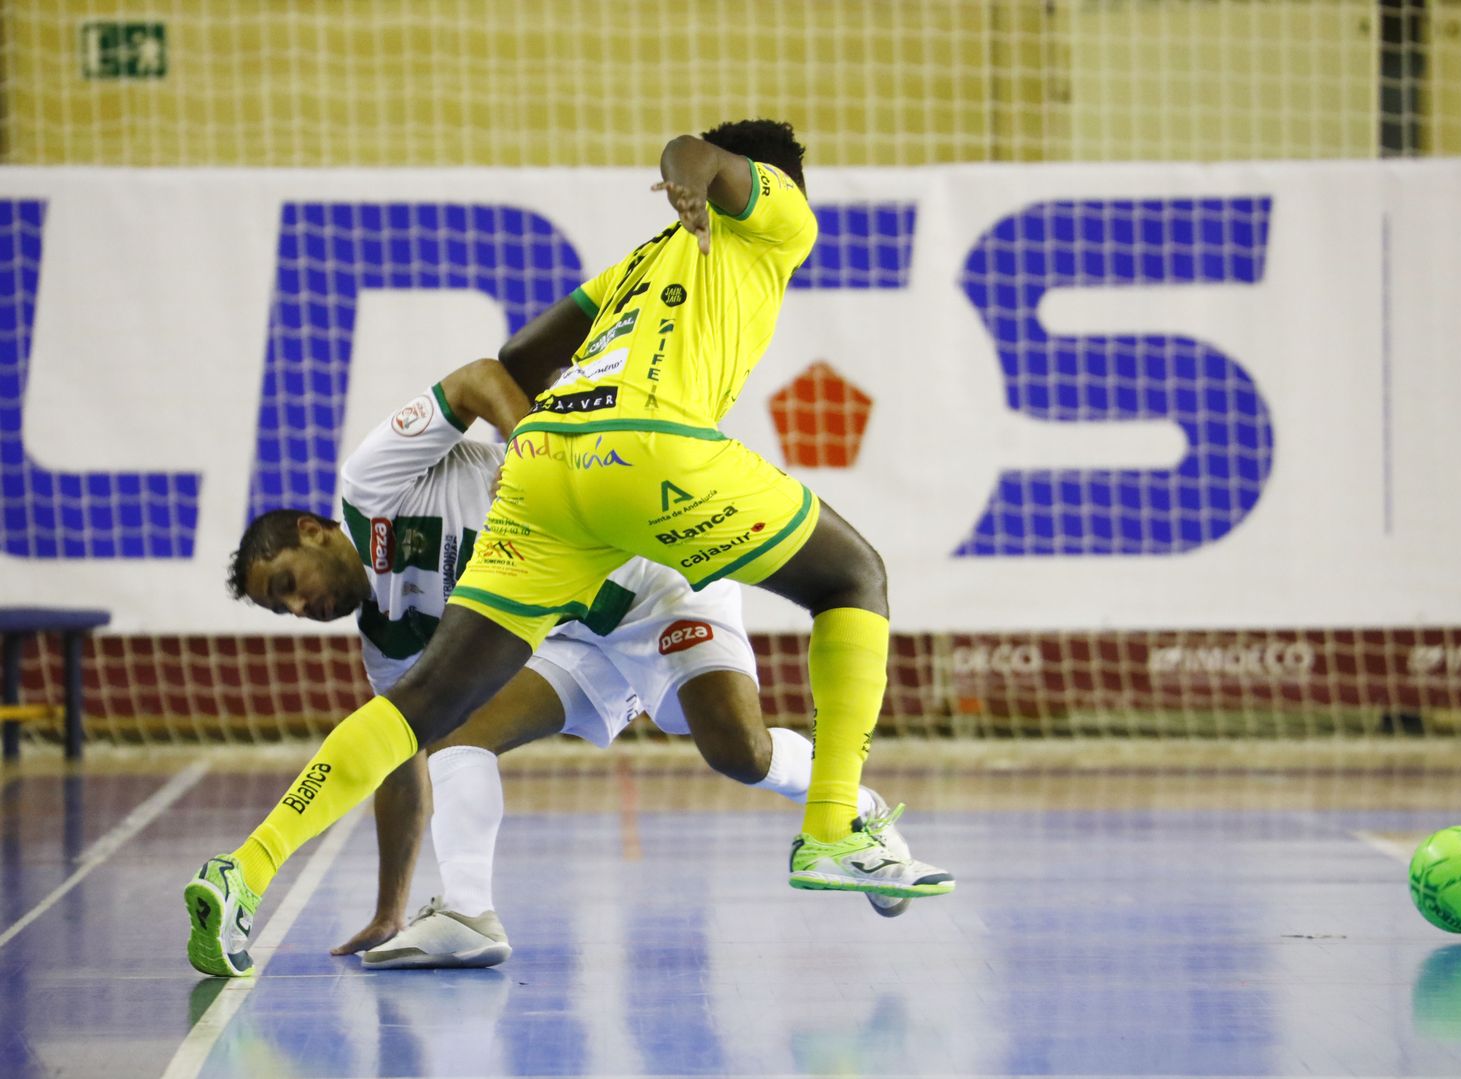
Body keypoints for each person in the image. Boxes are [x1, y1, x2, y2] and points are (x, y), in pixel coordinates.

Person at [184, 118, 953, 979]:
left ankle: (243, 869)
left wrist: (566, 420)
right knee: (855, 576)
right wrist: (693, 174)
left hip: (549, 472)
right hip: (651, 461)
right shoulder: (782, 218)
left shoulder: (633, 266)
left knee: (433, 711)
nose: (299, 605)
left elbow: (515, 357)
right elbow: (692, 152)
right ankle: (831, 828)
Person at [225, 360, 924, 970]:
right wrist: (389, 908)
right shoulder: (385, 636)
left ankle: (853, 807)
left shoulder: (370, 483)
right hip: (573, 639)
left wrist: (525, 444)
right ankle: (467, 916)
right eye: (278, 607)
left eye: (286, 582)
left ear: (313, 532)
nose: (296, 607)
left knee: (739, 750)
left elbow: (476, 378)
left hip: (655, 578)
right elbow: (398, 757)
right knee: (451, 734)